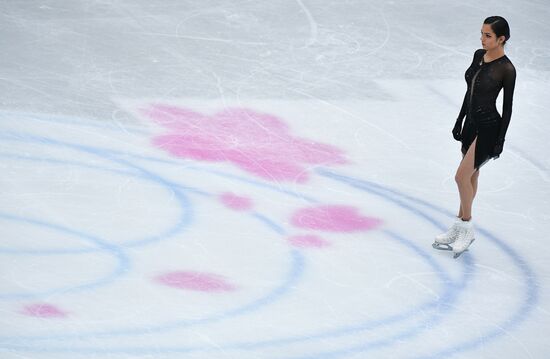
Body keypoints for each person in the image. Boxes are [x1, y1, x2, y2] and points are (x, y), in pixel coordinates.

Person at [433, 16, 516, 258]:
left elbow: (508, 107)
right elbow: (469, 91)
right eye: (482, 33)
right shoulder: (478, 55)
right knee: (471, 175)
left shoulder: (507, 69)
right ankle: (459, 226)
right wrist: (459, 119)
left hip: (489, 127)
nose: (482, 39)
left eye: (488, 35)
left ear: (502, 39)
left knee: (460, 177)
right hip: (470, 123)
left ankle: (466, 226)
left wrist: (500, 140)